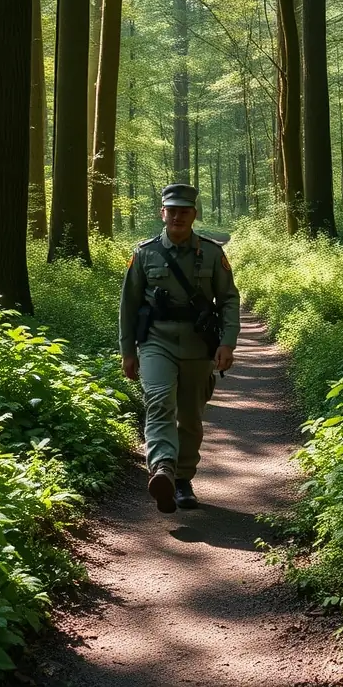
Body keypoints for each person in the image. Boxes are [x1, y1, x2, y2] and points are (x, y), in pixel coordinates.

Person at [119, 184, 240, 513]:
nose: (177, 216)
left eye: (184, 211)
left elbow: (228, 300)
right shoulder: (145, 253)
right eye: (171, 210)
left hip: (199, 345)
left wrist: (227, 342)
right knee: (159, 403)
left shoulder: (213, 254)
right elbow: (128, 306)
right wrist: (128, 350)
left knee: (190, 416)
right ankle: (163, 470)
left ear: (194, 215)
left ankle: (183, 479)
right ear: (162, 213)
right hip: (157, 341)